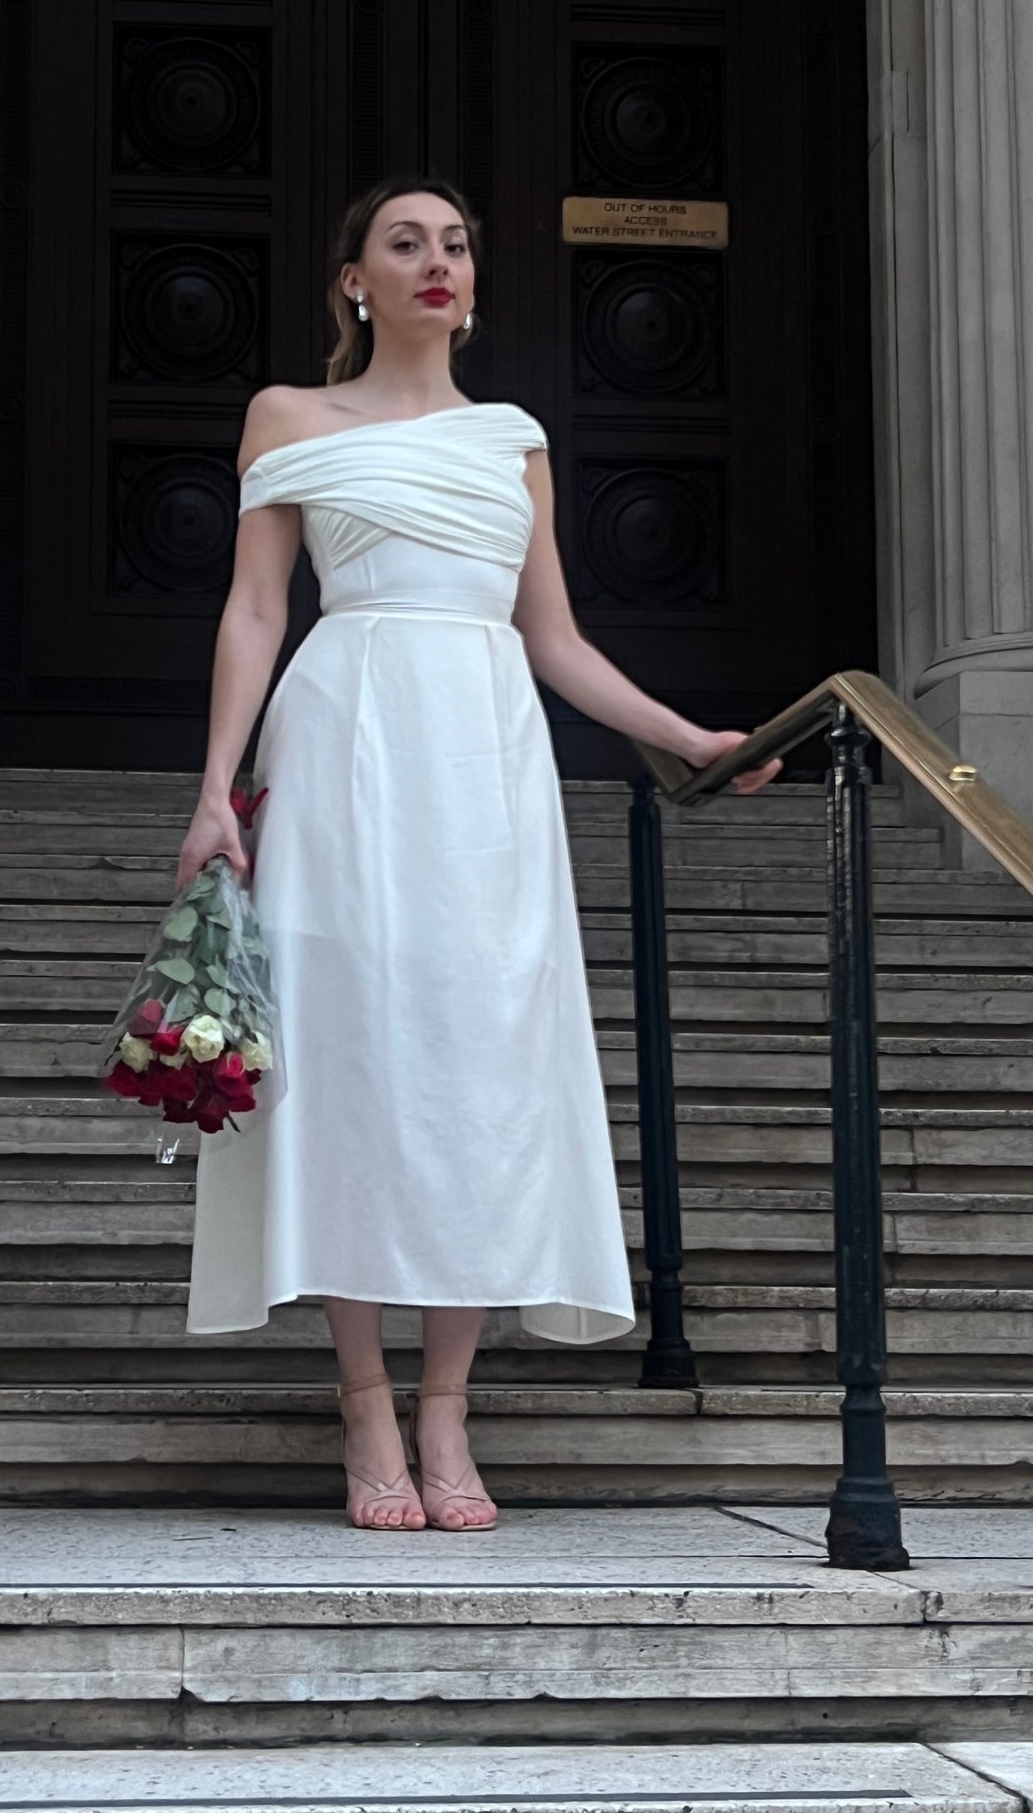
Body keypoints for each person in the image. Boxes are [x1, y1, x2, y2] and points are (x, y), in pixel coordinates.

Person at [173, 177, 781, 1534]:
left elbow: (552, 638)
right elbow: (253, 613)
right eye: (405, 243)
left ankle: (446, 1402)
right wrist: (217, 790)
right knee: (348, 1055)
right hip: (341, 740)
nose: (434, 261)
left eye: (454, 243)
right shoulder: (287, 417)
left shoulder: (512, 438)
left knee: (474, 1060)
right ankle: (362, 1403)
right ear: (355, 280)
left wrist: (688, 736)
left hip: (485, 755)